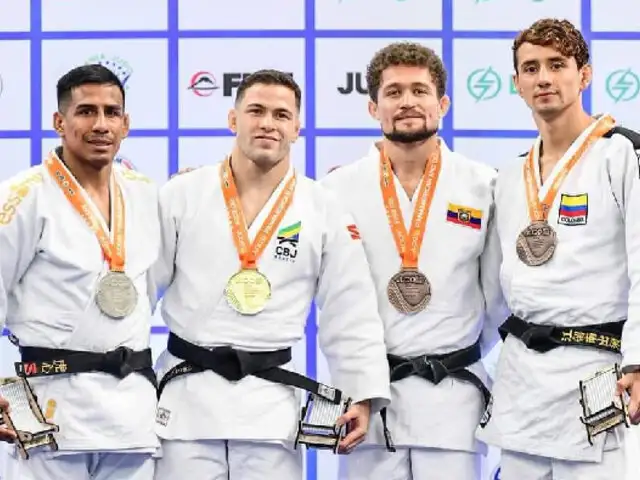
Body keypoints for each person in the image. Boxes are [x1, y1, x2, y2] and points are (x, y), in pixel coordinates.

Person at [151, 69, 391, 480]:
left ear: (297, 127)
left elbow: (349, 308)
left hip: (268, 408)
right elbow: (138, 291)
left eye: (281, 115)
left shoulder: (323, 207)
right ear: (233, 120)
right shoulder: (181, 195)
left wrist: (362, 393)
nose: (268, 123)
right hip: (184, 402)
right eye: (256, 111)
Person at [321, 42, 508, 480]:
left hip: (454, 399)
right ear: (373, 107)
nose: (408, 102)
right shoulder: (335, 191)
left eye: (420, 91)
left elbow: (497, 297)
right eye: (394, 92)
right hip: (370, 400)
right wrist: (358, 383)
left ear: (442, 103)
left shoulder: (484, 185)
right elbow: (334, 305)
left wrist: (456, 349)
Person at [476, 18, 640, 479]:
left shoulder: (624, 155)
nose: (543, 77)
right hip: (522, 377)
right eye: (530, 68)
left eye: (557, 64)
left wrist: (639, 359)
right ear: (517, 84)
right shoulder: (508, 177)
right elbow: (492, 287)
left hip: (600, 370)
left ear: (584, 75)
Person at [0, 64, 160, 479]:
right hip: (50, 410)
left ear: (126, 124)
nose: (101, 124)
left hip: (131, 413)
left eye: (112, 112)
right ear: (60, 121)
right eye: (86, 111)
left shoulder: (144, 194)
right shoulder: (24, 196)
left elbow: (151, 291)